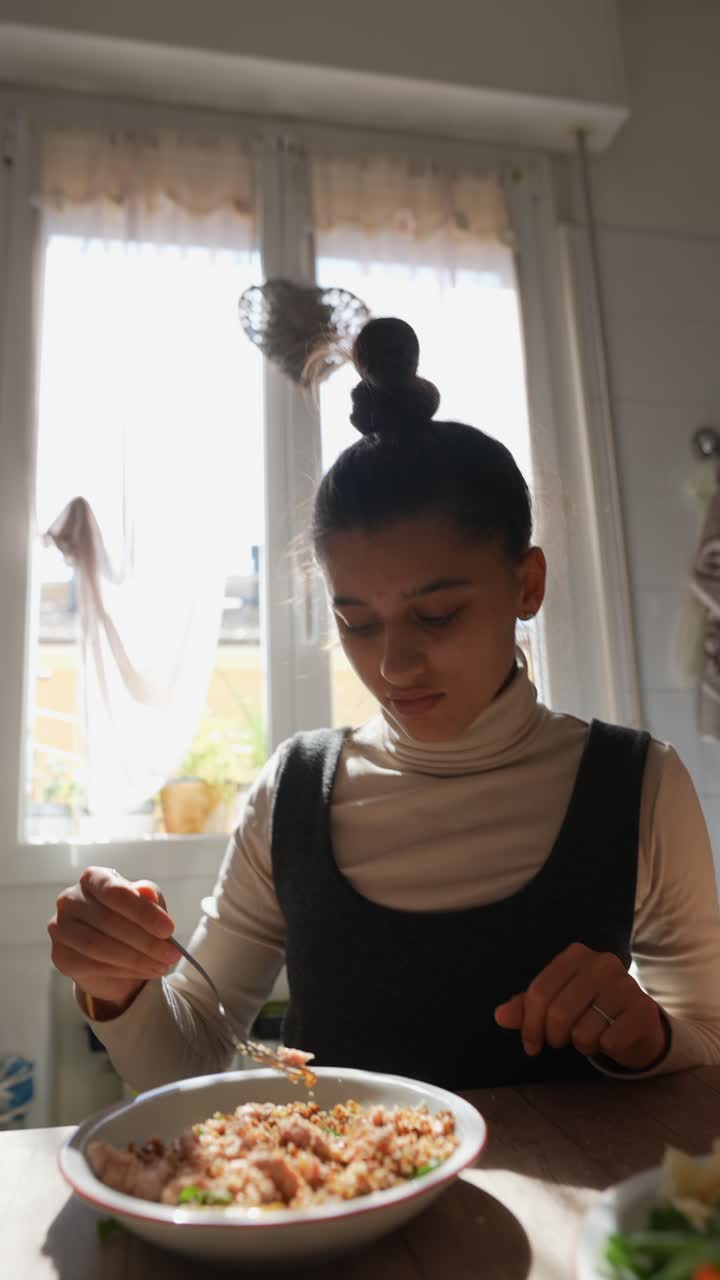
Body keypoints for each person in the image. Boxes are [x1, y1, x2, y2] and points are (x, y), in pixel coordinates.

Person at [49, 318, 720, 1094]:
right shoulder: (294, 791)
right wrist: (116, 984)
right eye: (356, 623)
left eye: (437, 616)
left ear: (527, 584)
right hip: (338, 1214)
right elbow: (193, 1055)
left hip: (563, 1217)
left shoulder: (637, 784)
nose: (393, 665)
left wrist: (648, 1034)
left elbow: (707, 1038)